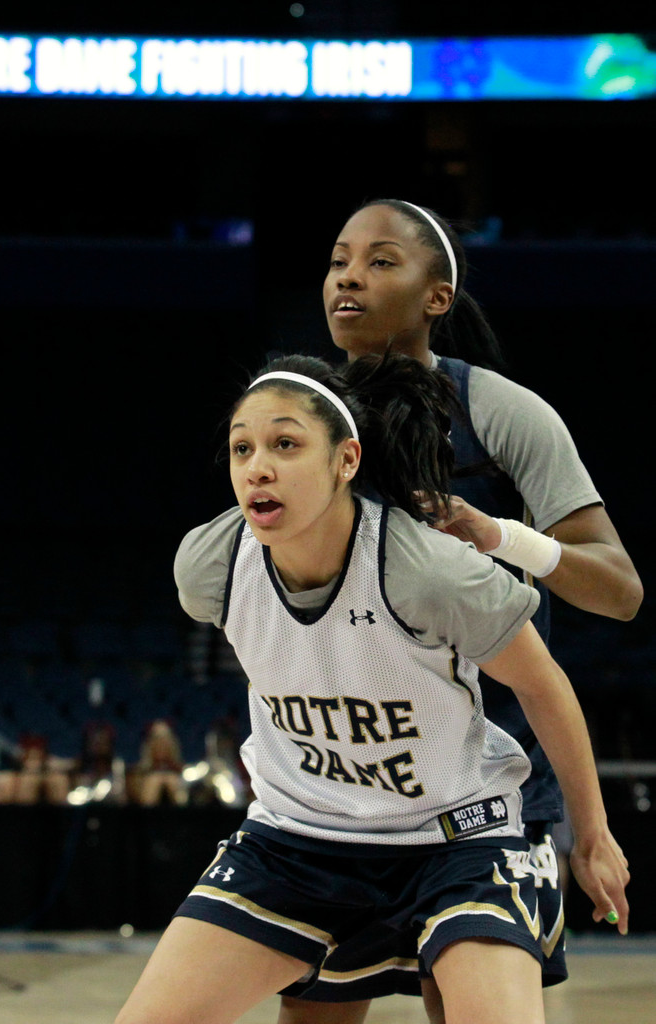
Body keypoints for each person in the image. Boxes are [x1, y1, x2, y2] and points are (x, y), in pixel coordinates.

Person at [113, 353, 628, 1024]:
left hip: (457, 842)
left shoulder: (427, 570)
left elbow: (544, 684)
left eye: (285, 444)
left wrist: (591, 832)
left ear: (346, 461)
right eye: (242, 447)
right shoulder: (210, 566)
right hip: (295, 841)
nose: (257, 466)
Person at [276, 199, 643, 1024]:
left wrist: (501, 536)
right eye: (339, 260)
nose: (348, 278)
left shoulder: (500, 412)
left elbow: (619, 590)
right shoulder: (292, 417)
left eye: (379, 262)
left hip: (489, 784)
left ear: (436, 297)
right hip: (350, 780)